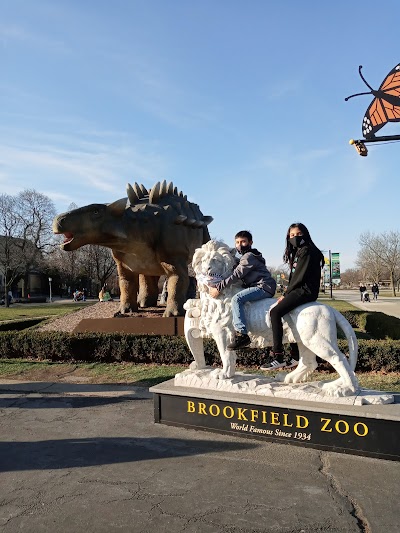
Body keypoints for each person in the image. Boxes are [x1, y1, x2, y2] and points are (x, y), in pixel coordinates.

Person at [261, 222, 324, 370]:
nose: (295, 237)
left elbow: (298, 277)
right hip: (301, 289)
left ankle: (278, 356)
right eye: (292, 235)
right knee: (289, 315)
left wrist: (286, 294)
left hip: (304, 290)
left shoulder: (307, 251)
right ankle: (295, 355)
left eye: (298, 234)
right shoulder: (300, 251)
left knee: (275, 312)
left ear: (305, 234)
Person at [209, 230, 276, 350]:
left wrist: (218, 288)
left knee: (237, 299)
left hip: (263, 287)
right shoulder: (247, 257)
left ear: (250, 242)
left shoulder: (249, 256)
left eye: (243, 242)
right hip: (260, 286)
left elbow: (236, 275)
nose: (240, 245)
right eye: (237, 242)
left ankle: (242, 334)